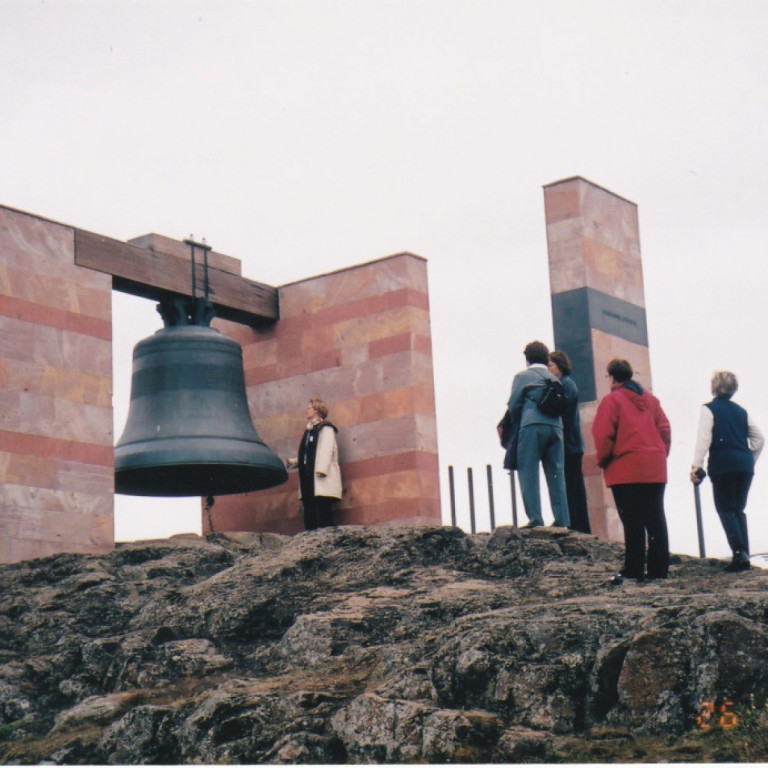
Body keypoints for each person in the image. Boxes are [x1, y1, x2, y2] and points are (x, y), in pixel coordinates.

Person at [592, 359, 671, 584]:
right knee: (655, 518)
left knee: (632, 520)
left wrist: (603, 460)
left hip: (625, 468)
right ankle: (658, 570)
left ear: (612, 378)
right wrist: (659, 454)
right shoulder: (651, 400)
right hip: (654, 466)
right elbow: (665, 430)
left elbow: (603, 434)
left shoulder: (612, 400)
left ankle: (634, 569)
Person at [690, 371, 764, 572]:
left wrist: (697, 465)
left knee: (725, 508)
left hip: (723, 465)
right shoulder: (741, 411)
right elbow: (759, 439)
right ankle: (743, 553)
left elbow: (704, 438)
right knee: (738, 509)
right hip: (744, 466)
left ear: (714, 388)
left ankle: (739, 553)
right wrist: (749, 459)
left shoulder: (709, 409)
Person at [507, 341, 570, 528]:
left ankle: (536, 519)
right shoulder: (555, 379)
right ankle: (562, 520)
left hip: (531, 426)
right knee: (556, 474)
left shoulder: (522, 377)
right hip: (556, 428)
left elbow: (513, 405)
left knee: (528, 471)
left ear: (527, 359)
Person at [548, 350, 591, 534]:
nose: (548, 369)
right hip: (572, 444)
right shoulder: (567, 384)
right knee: (573, 485)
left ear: (560, 366)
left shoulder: (565, 385)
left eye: (550, 365)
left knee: (573, 486)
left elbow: (563, 413)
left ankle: (576, 522)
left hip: (569, 444)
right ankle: (576, 521)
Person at [286, 398, 342, 530]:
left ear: (316, 411)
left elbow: (326, 449)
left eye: (309, 408)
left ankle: (325, 534)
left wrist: (321, 470)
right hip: (308, 476)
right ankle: (310, 533)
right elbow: (308, 454)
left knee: (322, 507)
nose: (306, 410)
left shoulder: (325, 428)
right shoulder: (309, 430)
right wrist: (295, 462)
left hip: (319, 476)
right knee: (309, 505)